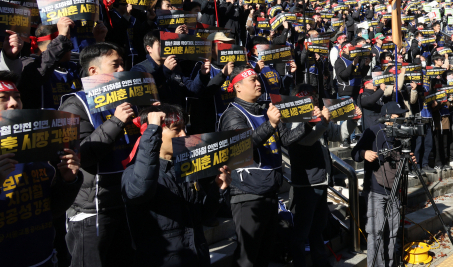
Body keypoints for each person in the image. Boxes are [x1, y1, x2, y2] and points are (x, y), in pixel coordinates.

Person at [218, 64, 312, 267]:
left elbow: (286, 139)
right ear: (238, 87)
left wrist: (309, 124)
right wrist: (270, 124)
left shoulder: (264, 109)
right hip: (248, 194)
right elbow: (241, 147)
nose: (258, 83)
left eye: (258, 79)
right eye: (252, 80)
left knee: (264, 255)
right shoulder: (232, 115)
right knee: (247, 259)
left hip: (269, 193)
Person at [121, 104, 231, 267]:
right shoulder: (133, 172)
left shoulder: (186, 167)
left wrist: (218, 188)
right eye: (176, 129)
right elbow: (139, 191)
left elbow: (201, 216)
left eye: (184, 128)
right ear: (156, 132)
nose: (184, 135)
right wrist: (152, 130)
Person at [59, 43, 138, 267]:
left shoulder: (126, 101)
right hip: (93, 209)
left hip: (125, 201)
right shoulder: (75, 104)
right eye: (116, 65)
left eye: (123, 63)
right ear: (93, 71)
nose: (123, 69)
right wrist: (116, 121)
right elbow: (82, 154)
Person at [0, 71, 83, 267]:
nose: (13, 103)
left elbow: (52, 209)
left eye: (17, 98)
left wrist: (68, 181)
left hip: (44, 257)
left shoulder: (39, 147)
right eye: (3, 98)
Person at [285, 84, 360, 267]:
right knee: (302, 232)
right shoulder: (293, 119)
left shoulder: (319, 117)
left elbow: (340, 134)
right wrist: (321, 123)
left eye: (315, 97)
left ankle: (321, 262)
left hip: (321, 181)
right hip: (305, 184)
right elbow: (306, 141)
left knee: (317, 229)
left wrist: (353, 119)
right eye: (308, 97)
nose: (314, 101)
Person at [351, 102, 416, 267]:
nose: (400, 119)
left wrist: (411, 160)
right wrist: (364, 153)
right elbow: (355, 153)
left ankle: (390, 263)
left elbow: (405, 161)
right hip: (375, 191)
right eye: (397, 116)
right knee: (376, 233)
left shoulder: (401, 134)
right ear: (387, 116)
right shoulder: (372, 131)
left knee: (393, 232)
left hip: (395, 190)